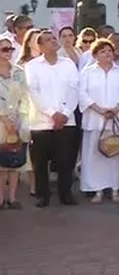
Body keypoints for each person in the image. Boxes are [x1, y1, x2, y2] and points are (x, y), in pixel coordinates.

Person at [25, 30, 79, 207]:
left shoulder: (68, 64)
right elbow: (34, 92)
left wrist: (64, 113)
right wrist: (51, 113)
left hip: (66, 120)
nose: (53, 42)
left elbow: (74, 89)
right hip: (41, 122)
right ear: (39, 46)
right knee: (40, 162)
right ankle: (43, 195)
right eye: (48, 40)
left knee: (65, 160)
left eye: (54, 38)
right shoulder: (32, 66)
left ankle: (65, 193)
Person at [79, 38, 119, 203]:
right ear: (95, 55)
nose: (108, 54)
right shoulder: (87, 72)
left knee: (116, 153)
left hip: (117, 118)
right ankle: (97, 189)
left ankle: (116, 188)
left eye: (109, 50)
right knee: (95, 156)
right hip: (95, 119)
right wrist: (99, 110)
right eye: (103, 51)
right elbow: (82, 94)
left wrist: (116, 109)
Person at [0, 37, 28, 209]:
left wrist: (19, 118)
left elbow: (25, 96)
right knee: (0, 162)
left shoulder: (19, 72)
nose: (8, 53)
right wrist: (4, 118)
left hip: (17, 120)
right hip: (0, 122)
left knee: (16, 159)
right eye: (4, 49)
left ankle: (12, 198)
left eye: (10, 49)